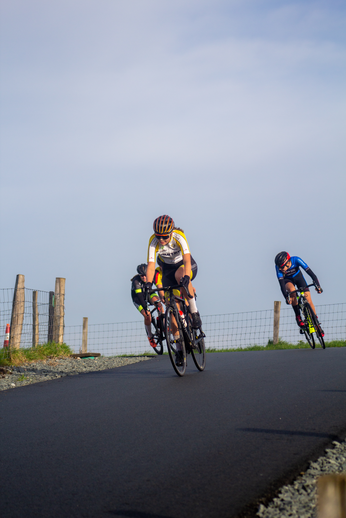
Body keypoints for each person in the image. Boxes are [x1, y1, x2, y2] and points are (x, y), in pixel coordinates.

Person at [145, 215, 202, 366]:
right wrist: (149, 283)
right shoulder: (153, 241)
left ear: (171, 232)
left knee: (181, 277)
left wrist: (187, 277)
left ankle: (194, 312)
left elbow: (187, 259)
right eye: (159, 237)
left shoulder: (179, 236)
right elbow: (151, 266)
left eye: (164, 236)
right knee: (171, 310)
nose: (161, 240)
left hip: (184, 265)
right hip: (168, 270)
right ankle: (179, 349)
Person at [274, 251, 324, 335]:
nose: (280, 269)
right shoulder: (278, 268)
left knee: (308, 299)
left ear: (287, 262)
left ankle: (316, 322)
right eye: (279, 267)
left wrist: (318, 286)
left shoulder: (296, 260)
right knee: (292, 291)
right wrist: (286, 297)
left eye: (281, 267)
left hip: (298, 277)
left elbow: (311, 274)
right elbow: (282, 285)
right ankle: (298, 317)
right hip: (287, 280)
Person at [131, 264, 163, 350]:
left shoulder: (151, 276)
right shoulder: (136, 281)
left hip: (148, 293)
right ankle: (150, 336)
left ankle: (161, 321)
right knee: (147, 315)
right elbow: (140, 297)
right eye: (142, 275)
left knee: (159, 305)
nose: (144, 277)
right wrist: (146, 308)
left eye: (145, 275)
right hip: (138, 298)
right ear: (139, 275)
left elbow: (159, 286)